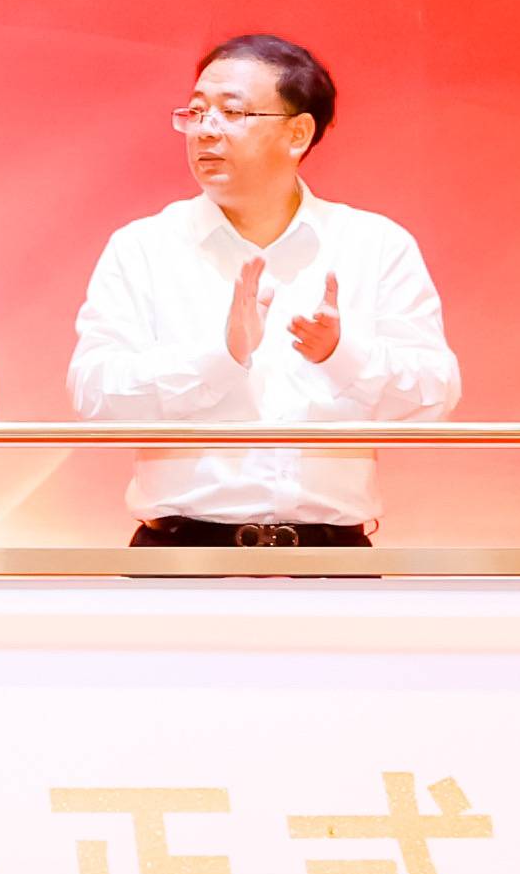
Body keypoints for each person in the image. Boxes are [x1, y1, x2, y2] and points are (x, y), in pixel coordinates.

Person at [67, 33, 459, 546]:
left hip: (331, 557)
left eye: (232, 112)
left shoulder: (375, 244)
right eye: (196, 112)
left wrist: (342, 355)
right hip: (180, 555)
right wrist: (220, 358)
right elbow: (94, 395)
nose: (205, 130)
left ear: (297, 133)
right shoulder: (144, 246)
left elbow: (435, 396)